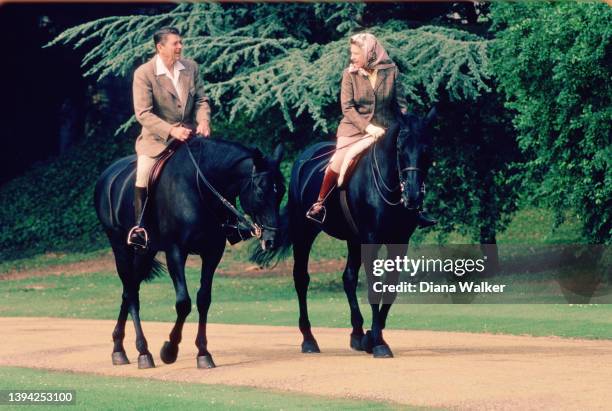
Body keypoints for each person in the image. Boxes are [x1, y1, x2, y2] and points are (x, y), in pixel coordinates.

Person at [306, 33, 436, 228]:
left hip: (387, 129)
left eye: (356, 53)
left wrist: (400, 126)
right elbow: (347, 108)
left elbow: (401, 105)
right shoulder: (349, 74)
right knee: (338, 161)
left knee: (411, 159)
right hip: (354, 130)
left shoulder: (391, 71)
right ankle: (320, 204)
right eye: (352, 53)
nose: (352, 57)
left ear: (370, 53)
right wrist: (367, 127)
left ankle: (417, 209)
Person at [127, 26, 211, 251]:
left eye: (181, 42)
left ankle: (230, 223)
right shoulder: (144, 73)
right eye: (175, 43)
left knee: (216, 168)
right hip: (157, 141)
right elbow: (143, 113)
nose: (180, 47)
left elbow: (201, 101)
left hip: (191, 137)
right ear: (160, 47)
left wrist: (203, 121)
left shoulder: (191, 67)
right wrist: (171, 131)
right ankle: (140, 228)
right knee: (143, 174)